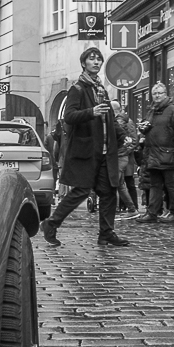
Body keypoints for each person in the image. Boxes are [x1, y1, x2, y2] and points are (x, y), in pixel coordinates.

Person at [41, 47, 129, 247]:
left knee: (108, 192)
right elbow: (69, 117)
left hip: (104, 151)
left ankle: (106, 233)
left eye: (99, 59)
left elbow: (110, 118)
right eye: (92, 59)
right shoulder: (78, 89)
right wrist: (91, 111)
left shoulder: (100, 89)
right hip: (87, 151)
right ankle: (51, 224)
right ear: (84, 64)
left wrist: (123, 136)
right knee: (80, 191)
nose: (96, 62)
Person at [137, 82, 174, 223]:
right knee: (154, 185)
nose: (157, 96)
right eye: (155, 94)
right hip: (153, 154)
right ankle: (152, 212)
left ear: (165, 94)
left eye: (160, 93)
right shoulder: (151, 111)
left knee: (172, 185)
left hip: (168, 155)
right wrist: (143, 128)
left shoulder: (173, 111)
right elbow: (148, 128)